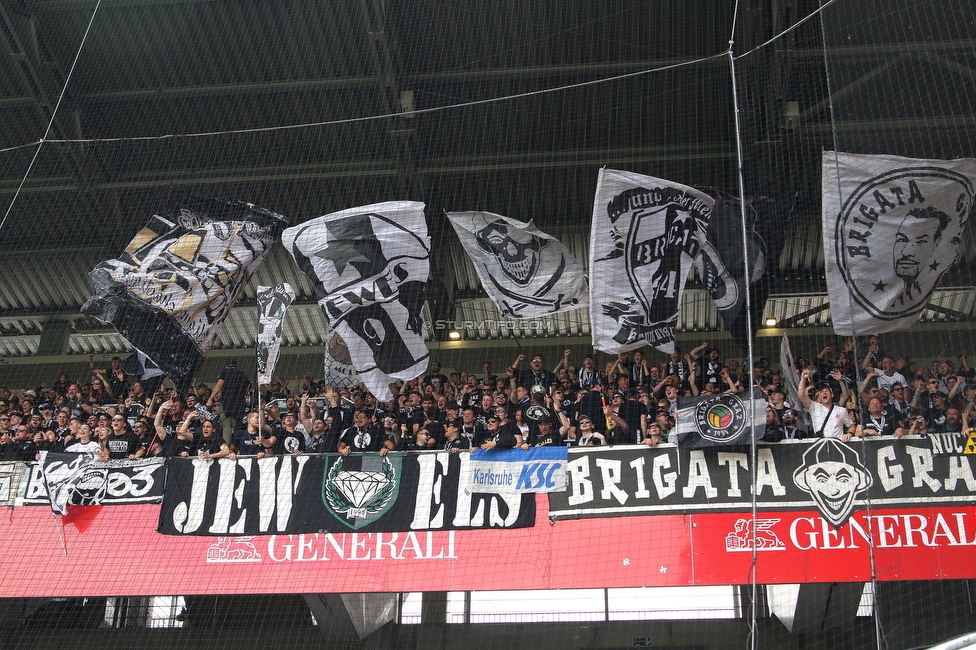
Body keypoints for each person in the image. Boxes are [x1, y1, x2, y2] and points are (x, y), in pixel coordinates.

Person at [798, 368, 854, 442]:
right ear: (820, 397)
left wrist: (849, 434)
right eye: (822, 392)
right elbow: (801, 396)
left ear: (832, 395)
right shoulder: (814, 407)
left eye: (827, 391)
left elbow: (851, 425)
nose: (824, 393)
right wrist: (803, 378)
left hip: (837, 445)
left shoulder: (841, 410)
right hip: (820, 445)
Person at [208, 359, 250, 445]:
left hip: (227, 403)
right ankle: (235, 446)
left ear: (226, 366)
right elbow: (248, 386)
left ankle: (226, 447)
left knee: (226, 424)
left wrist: (210, 398)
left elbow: (219, 385)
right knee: (236, 425)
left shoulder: (225, 373)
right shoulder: (241, 374)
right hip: (239, 403)